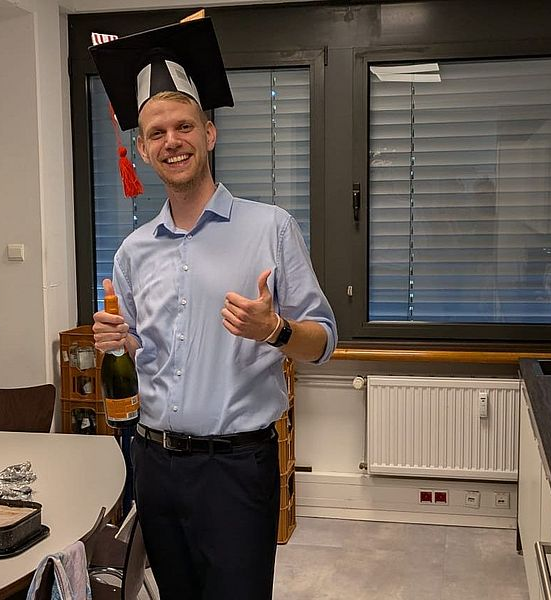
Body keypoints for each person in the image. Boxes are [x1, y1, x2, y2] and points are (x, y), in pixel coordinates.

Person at [89, 17, 337, 600]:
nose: (171, 141)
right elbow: (145, 352)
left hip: (236, 469)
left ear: (209, 133)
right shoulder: (133, 252)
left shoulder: (270, 228)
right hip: (153, 463)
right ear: (143, 150)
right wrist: (121, 341)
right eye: (156, 133)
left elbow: (324, 341)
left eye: (183, 126)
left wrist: (275, 330)